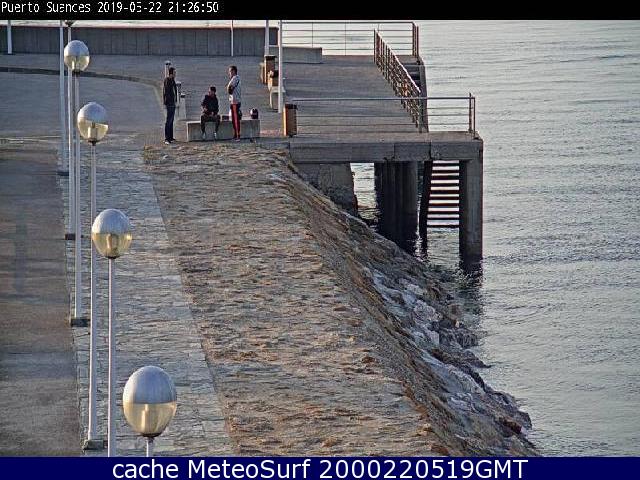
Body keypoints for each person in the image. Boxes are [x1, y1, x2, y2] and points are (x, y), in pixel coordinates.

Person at [226, 65, 242, 141]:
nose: (229, 73)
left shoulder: (235, 78)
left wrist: (228, 88)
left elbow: (229, 88)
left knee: (235, 119)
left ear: (233, 71)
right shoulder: (235, 78)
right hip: (233, 101)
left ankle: (238, 135)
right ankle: (236, 134)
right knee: (233, 119)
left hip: (235, 101)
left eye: (230, 71)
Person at [162, 67, 178, 144]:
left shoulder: (173, 80)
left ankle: (171, 137)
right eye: (174, 73)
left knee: (172, 120)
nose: (175, 74)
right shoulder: (167, 80)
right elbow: (166, 92)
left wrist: (175, 100)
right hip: (169, 103)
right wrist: (168, 101)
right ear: (171, 73)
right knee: (168, 120)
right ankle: (167, 138)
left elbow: (174, 91)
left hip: (173, 102)